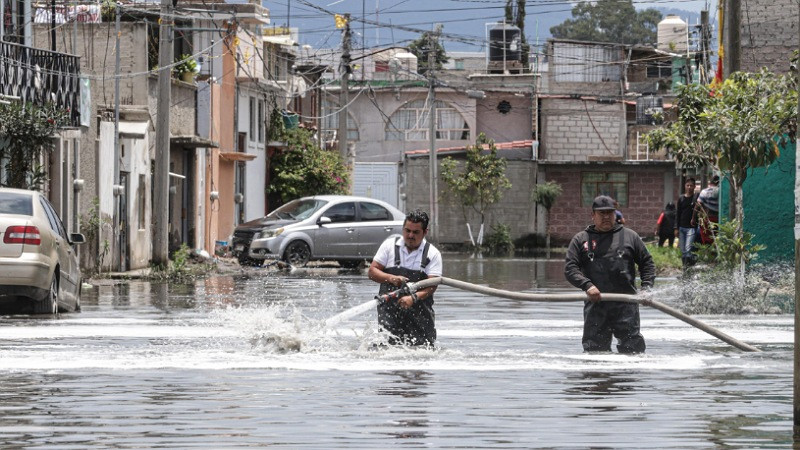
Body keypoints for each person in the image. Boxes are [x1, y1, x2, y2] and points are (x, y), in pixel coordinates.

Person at [564, 195, 656, 354]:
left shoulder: (630, 236)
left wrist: (646, 288)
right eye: (601, 213)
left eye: (610, 213)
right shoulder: (581, 240)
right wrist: (587, 285)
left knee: (633, 351)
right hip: (596, 304)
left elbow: (647, 263)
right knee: (595, 352)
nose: (606, 217)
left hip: (626, 304)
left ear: (615, 214)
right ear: (593, 215)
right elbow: (570, 268)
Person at [368, 209, 443, 346]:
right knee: (387, 349)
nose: (410, 235)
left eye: (415, 232)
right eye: (407, 230)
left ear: (425, 232)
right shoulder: (389, 246)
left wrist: (413, 298)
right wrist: (391, 279)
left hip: (420, 317)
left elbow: (432, 285)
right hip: (389, 312)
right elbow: (372, 271)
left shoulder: (432, 254)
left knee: (421, 351)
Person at [675, 177, 699, 268]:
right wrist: (676, 228)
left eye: (691, 186)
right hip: (681, 227)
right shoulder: (681, 198)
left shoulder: (696, 197)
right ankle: (685, 269)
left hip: (691, 228)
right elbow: (678, 213)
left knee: (688, 249)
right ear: (685, 186)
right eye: (687, 185)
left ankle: (687, 269)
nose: (689, 187)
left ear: (694, 187)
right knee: (683, 250)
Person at [694, 175, 720, 245]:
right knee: (716, 239)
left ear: (710, 182)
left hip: (707, 219)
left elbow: (697, 206)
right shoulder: (721, 192)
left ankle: (708, 254)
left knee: (707, 240)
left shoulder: (704, 192)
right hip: (718, 219)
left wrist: (693, 219)